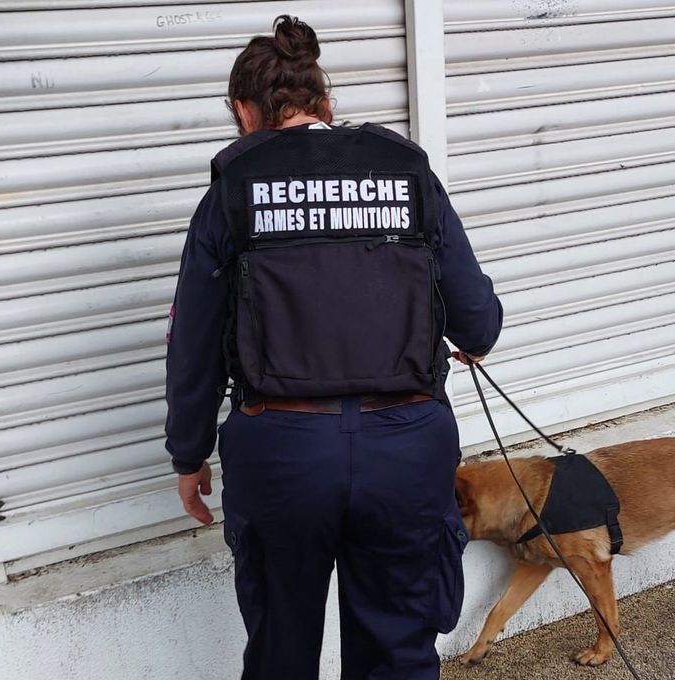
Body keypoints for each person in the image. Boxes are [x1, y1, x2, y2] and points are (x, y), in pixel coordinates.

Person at [163, 15, 502, 679]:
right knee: (398, 656)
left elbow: (194, 342)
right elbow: (478, 325)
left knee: (281, 652)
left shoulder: (231, 193)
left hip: (282, 455)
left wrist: (188, 451)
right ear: (323, 102)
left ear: (243, 110)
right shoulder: (408, 178)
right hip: (406, 450)